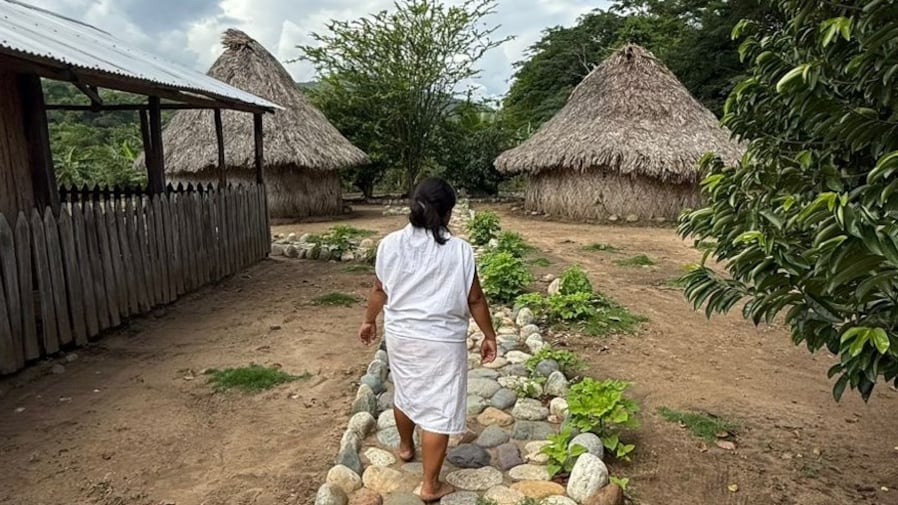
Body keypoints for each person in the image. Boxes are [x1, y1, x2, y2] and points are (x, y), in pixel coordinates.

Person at [358, 177, 498, 501]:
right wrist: (489, 335)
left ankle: (406, 448)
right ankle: (430, 486)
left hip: (401, 336)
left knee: (406, 392)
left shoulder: (389, 244)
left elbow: (379, 290)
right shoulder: (460, 251)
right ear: (448, 213)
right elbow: (475, 299)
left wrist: (368, 320)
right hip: (442, 342)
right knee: (438, 409)